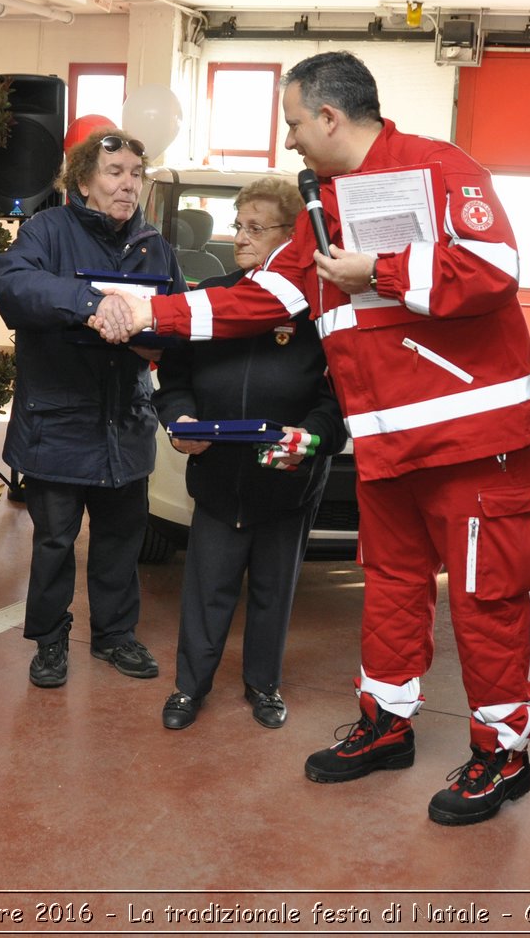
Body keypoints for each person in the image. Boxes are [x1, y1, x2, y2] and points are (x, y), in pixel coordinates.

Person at [94, 52, 530, 826]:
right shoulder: (322, 208)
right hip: (387, 450)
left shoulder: (441, 168)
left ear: (331, 117)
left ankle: (502, 756)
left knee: (485, 602)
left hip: (473, 444)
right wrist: (150, 316)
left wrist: (384, 268)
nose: (291, 140)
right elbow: (261, 298)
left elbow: (494, 267)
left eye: (296, 124)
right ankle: (387, 725)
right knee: (395, 593)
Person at [153, 177, 347, 731]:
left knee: (272, 592)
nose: (239, 236)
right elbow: (174, 379)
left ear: (293, 238)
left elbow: (335, 401)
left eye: (255, 227)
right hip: (218, 478)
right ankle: (189, 689)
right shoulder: (211, 298)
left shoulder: (319, 309)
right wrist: (179, 417)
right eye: (237, 224)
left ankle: (264, 686)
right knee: (206, 590)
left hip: (287, 483)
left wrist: (307, 439)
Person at [0, 128, 184, 689]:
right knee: (53, 542)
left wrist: (154, 336)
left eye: (135, 174)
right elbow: (13, 287)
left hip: (125, 421)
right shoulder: (45, 231)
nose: (128, 185)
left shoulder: (156, 247)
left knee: (121, 540)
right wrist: (93, 304)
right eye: (114, 173)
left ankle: (115, 635)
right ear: (83, 182)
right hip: (59, 419)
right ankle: (50, 641)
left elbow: (175, 323)